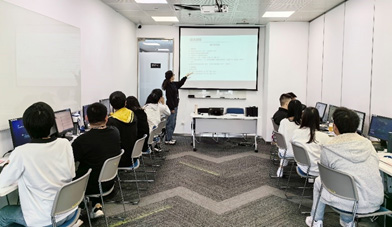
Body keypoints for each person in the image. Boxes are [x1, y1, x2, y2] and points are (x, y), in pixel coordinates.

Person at [0, 102, 76, 226]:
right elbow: (71, 174)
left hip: (45, 220)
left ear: (26, 127)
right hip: (69, 210)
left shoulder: (21, 153)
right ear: (52, 124)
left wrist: (8, 166)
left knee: (3, 214)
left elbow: (2, 183)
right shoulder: (65, 144)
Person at [306, 107, 384, 227]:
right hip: (373, 201)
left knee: (319, 181)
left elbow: (325, 174)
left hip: (348, 204)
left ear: (335, 127)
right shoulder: (368, 144)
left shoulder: (329, 146)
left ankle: (316, 220)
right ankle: (347, 221)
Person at [72, 102, 121, 219]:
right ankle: (96, 205)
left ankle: (75, 209)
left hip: (90, 185)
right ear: (106, 117)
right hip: (109, 182)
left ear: (86, 118)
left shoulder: (82, 141)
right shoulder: (115, 132)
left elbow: (70, 160)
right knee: (95, 165)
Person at [291, 107, 331, 176]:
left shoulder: (296, 132)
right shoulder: (323, 137)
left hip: (302, 167)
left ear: (303, 118)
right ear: (318, 119)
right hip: (318, 171)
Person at [107, 91, 138, 167]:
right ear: (125, 102)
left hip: (120, 160)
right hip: (132, 156)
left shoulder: (111, 121)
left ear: (111, 105)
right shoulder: (132, 114)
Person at [162, 70, 193, 145]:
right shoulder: (169, 86)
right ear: (171, 76)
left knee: (173, 123)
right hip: (171, 107)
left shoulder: (173, 84)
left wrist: (185, 77)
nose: (174, 76)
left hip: (175, 106)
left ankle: (170, 137)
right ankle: (168, 139)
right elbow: (169, 98)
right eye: (173, 75)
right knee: (170, 123)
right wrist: (172, 108)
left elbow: (180, 83)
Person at [277, 99, 303, 177]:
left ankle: (281, 167)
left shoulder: (283, 122)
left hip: (283, 151)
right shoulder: (301, 125)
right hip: (298, 154)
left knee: (288, 145)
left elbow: (280, 136)